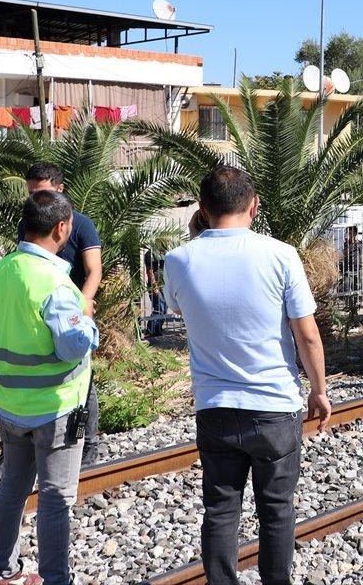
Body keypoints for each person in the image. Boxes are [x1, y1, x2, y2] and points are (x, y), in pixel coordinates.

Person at [163, 166, 331, 585]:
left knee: (220, 509)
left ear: (203, 208)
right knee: (277, 509)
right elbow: (307, 334)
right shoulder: (280, 254)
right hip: (274, 407)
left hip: (215, 407)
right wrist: (319, 390)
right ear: (254, 205)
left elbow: (183, 312)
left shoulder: (178, 260)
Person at [0, 190, 99, 585]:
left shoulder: (1, 272)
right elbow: (70, 348)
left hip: (10, 405)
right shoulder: (55, 283)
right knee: (55, 497)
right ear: (62, 228)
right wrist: (88, 324)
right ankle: (55, 579)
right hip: (56, 407)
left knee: (12, 490)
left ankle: (3, 571)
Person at [0, 163, 105, 487]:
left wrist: (84, 303)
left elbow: (93, 269)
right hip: (43, 307)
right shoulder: (29, 227)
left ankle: (88, 443)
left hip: (70, 308)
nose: (33, 198)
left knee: (80, 379)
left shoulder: (82, 225)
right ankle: (11, 452)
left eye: (41, 191)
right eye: (31, 192)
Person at [143, 249, 167, 338]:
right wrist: (154, 286)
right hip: (156, 285)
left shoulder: (164, 252)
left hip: (164, 284)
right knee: (159, 307)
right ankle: (150, 330)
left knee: (164, 308)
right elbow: (149, 271)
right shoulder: (150, 253)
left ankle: (157, 329)